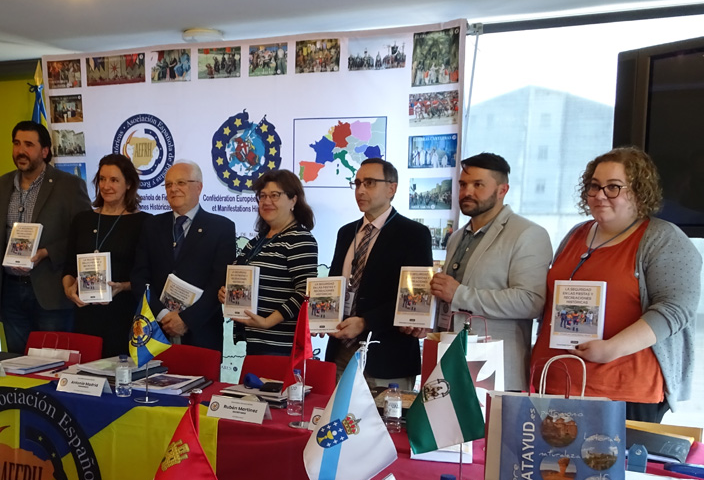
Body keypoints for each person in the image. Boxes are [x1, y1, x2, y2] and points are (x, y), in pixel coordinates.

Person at [531, 147, 701, 422]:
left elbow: (675, 309)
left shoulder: (663, 239)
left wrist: (611, 348)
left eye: (613, 187)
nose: (600, 195)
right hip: (555, 382)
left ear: (639, 191)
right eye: (594, 186)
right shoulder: (576, 234)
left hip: (623, 391)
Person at [427, 153, 552, 391]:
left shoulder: (528, 234)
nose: (467, 192)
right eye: (463, 184)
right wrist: (426, 320)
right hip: (450, 365)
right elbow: (450, 302)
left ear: (502, 190)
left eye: (478, 185)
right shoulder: (456, 237)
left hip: (497, 373)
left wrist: (459, 294)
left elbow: (531, 302)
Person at [325, 159, 433, 389]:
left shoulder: (413, 234)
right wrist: (323, 317)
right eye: (357, 183)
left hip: (387, 357)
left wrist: (366, 322)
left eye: (370, 183)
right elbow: (336, 284)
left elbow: (413, 300)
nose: (361, 190)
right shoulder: (346, 233)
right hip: (341, 352)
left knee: (384, 414)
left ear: (391, 188)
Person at [0, 120, 91, 353]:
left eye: (29, 145)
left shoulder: (69, 185)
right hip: (10, 291)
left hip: (50, 291)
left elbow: (84, 235)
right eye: (16, 143)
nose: (20, 150)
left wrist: (48, 252)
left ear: (45, 151)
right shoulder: (2, 184)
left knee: (52, 362)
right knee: (16, 361)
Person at [130, 160, 235, 351]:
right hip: (155, 331)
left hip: (201, 333)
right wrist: (162, 315)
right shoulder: (151, 225)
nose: (173, 189)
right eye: (168, 184)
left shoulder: (222, 228)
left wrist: (186, 320)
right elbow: (139, 277)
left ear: (199, 187)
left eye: (181, 183)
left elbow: (218, 284)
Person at [218, 169, 318, 355]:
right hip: (255, 341)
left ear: (293, 200)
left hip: (281, 346)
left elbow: (305, 293)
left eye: (275, 195)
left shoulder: (300, 239)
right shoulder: (258, 240)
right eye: (262, 196)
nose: (266, 201)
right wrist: (228, 293)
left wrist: (267, 322)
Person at [63, 155, 150, 357]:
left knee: (120, 371)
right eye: (102, 179)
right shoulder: (82, 219)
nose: (106, 186)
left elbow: (148, 275)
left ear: (128, 184)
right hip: (85, 314)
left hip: (124, 314)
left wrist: (122, 286)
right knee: (84, 370)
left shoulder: (144, 223)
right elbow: (68, 266)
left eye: (114, 180)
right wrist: (69, 289)